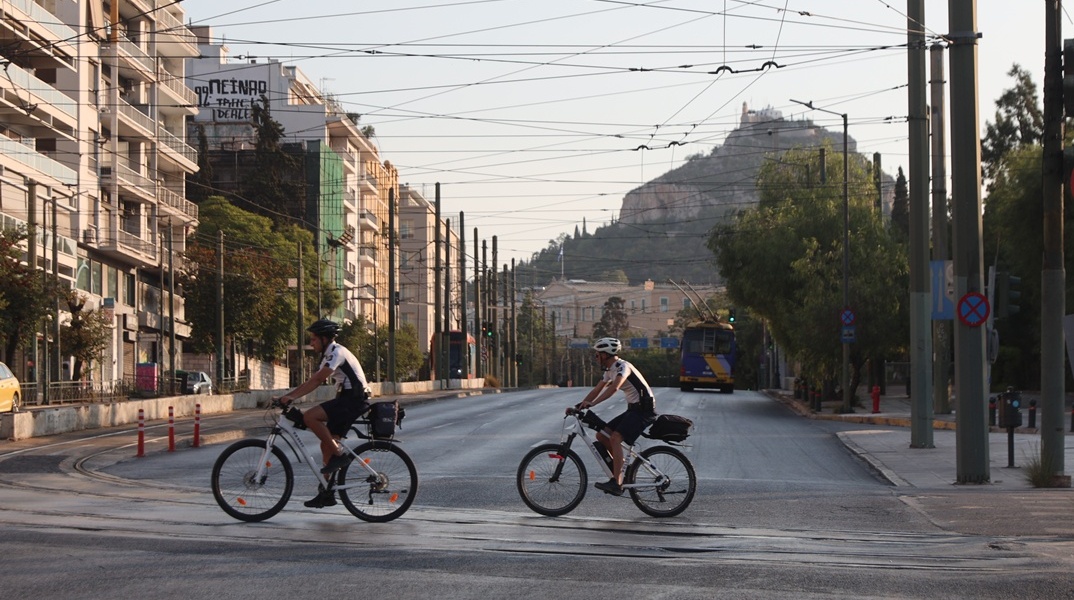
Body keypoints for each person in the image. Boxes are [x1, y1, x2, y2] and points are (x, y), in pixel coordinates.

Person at [279, 318, 369, 508]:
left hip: (353, 399)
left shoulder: (337, 352)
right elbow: (313, 380)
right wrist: (289, 396)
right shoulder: (329, 354)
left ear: (325, 339)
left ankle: (340, 454)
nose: (311, 342)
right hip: (347, 398)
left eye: (314, 338)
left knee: (311, 417)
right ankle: (327, 492)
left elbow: (318, 380)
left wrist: (291, 397)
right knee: (325, 445)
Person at [569, 337, 657, 496]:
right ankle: (622, 468)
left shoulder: (623, 367)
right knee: (602, 435)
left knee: (615, 438)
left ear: (605, 354)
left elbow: (614, 388)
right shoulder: (610, 371)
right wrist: (580, 405)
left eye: (597, 355)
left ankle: (617, 482)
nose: (596, 358)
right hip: (633, 409)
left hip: (644, 410)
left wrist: (593, 404)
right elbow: (597, 389)